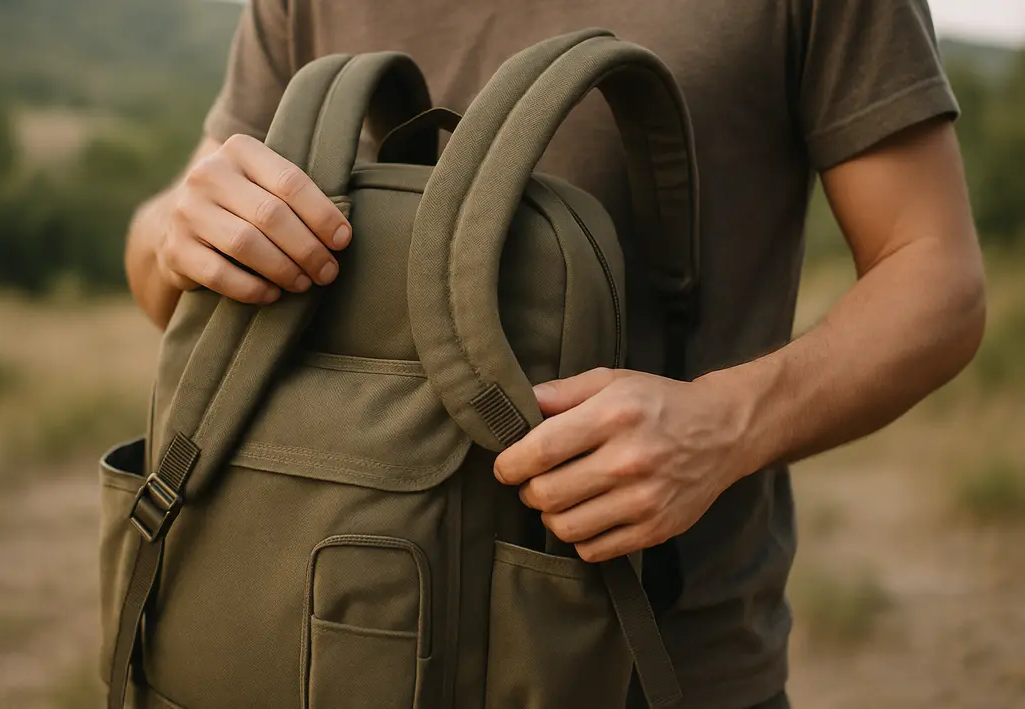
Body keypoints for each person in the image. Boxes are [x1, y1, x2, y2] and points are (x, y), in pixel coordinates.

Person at [123, 1, 986, 707]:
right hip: (290, 644)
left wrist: (725, 425)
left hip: (647, 660)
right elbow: (163, 269)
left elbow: (936, 278)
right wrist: (177, 232)